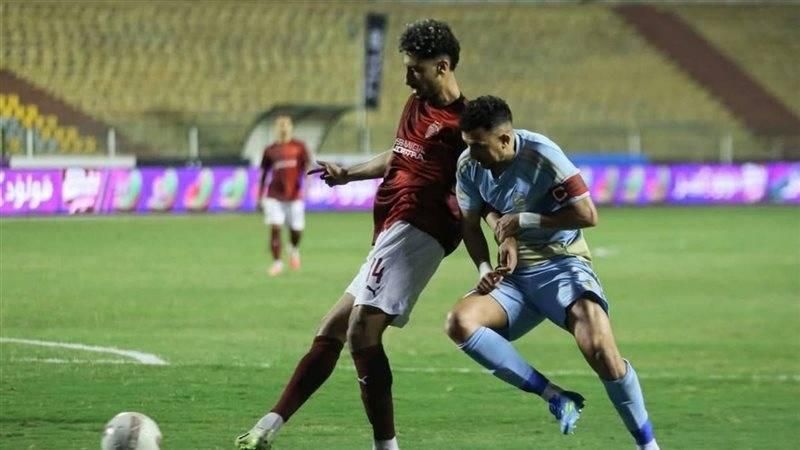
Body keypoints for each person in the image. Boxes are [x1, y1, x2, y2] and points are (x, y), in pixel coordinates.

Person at [237, 19, 467, 450]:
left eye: (415, 69)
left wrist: (500, 238)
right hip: (391, 227)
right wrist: (349, 174)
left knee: (362, 330)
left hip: (420, 229)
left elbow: (485, 183)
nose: (406, 78)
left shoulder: (464, 126)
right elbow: (399, 156)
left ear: (442, 66)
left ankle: (385, 445)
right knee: (332, 328)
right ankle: (268, 426)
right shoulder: (415, 104)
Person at [447, 95, 660, 450]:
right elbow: (470, 222)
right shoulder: (469, 164)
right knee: (459, 323)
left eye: (479, 145)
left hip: (562, 265)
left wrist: (523, 222)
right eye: (467, 144)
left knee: (601, 350)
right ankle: (556, 397)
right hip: (513, 278)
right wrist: (484, 267)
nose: (472, 153)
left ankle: (647, 445)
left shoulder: (543, 156)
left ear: (504, 138)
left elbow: (587, 214)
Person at [257, 115, 310, 276]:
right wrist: (260, 195)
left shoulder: (299, 147)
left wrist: (307, 186)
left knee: (296, 230)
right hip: (274, 196)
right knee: (275, 228)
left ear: (291, 127)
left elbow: (307, 168)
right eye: (280, 125)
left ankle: (293, 249)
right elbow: (264, 173)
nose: (283, 128)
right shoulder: (270, 150)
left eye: (286, 125)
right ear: (276, 129)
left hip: (294, 195)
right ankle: (277, 263)